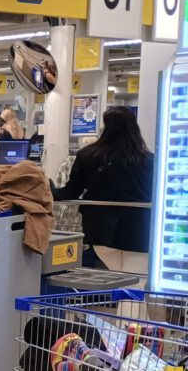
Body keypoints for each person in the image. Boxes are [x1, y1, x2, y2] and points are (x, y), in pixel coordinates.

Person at [52, 106, 154, 273]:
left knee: (117, 275)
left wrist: (48, 191)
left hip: (99, 228)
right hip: (139, 228)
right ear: (134, 128)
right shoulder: (148, 160)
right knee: (135, 279)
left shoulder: (87, 155)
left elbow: (71, 191)